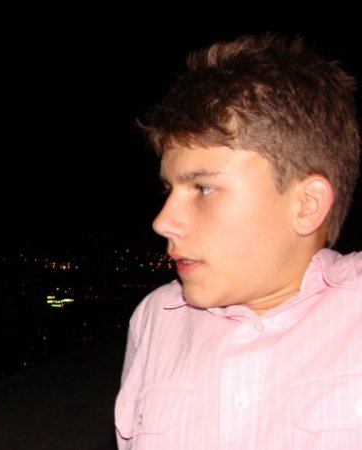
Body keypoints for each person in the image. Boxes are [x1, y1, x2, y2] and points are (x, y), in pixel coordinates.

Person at [114, 33, 362, 449]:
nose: (162, 222)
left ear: (307, 204)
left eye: (204, 189)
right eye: (169, 190)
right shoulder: (155, 320)